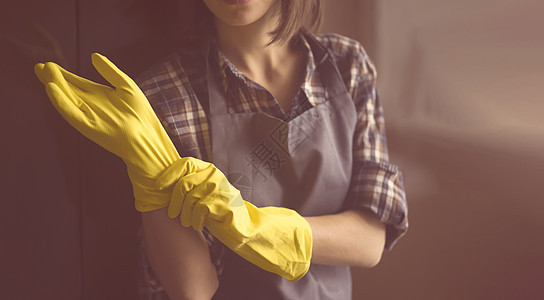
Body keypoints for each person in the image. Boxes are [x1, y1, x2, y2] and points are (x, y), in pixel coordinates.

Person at [34, 0, 408, 299]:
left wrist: (254, 227)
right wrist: (145, 163)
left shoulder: (346, 66)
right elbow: (193, 291)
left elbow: (370, 240)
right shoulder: (163, 96)